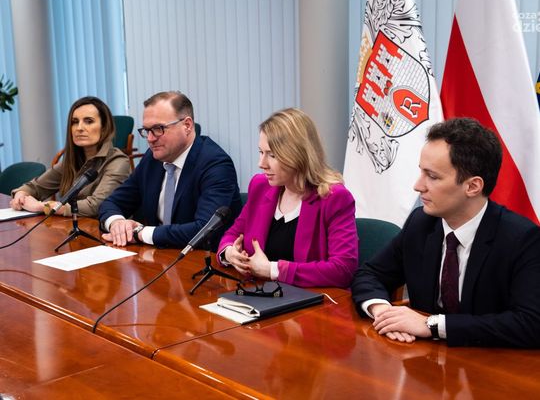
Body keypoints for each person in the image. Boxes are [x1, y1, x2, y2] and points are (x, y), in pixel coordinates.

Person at [351, 117, 540, 348]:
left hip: (489, 363)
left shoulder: (522, 239)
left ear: (472, 186)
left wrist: (433, 325)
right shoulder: (421, 223)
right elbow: (370, 273)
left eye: (432, 176)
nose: (418, 186)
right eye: (421, 172)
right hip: (424, 359)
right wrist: (384, 312)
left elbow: (531, 323)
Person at [217, 108, 358, 288]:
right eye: (261, 152)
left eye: (272, 155)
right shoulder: (260, 186)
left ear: (298, 155)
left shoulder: (334, 198)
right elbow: (233, 234)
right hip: (258, 293)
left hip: (310, 301)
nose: (261, 164)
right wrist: (229, 253)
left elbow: (343, 270)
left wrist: (273, 270)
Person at [99, 91, 242, 249]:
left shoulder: (216, 164)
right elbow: (112, 202)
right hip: (157, 255)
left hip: (200, 258)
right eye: (147, 130)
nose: (150, 139)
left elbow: (204, 229)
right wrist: (117, 223)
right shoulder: (152, 159)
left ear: (187, 125)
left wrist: (140, 232)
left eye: (158, 128)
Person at [10, 96, 130, 218]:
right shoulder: (71, 160)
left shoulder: (118, 162)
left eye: (89, 121)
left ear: (104, 128)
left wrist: (43, 207)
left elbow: (96, 206)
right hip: (72, 224)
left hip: (102, 227)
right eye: (75, 122)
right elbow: (36, 187)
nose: (79, 128)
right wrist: (21, 194)